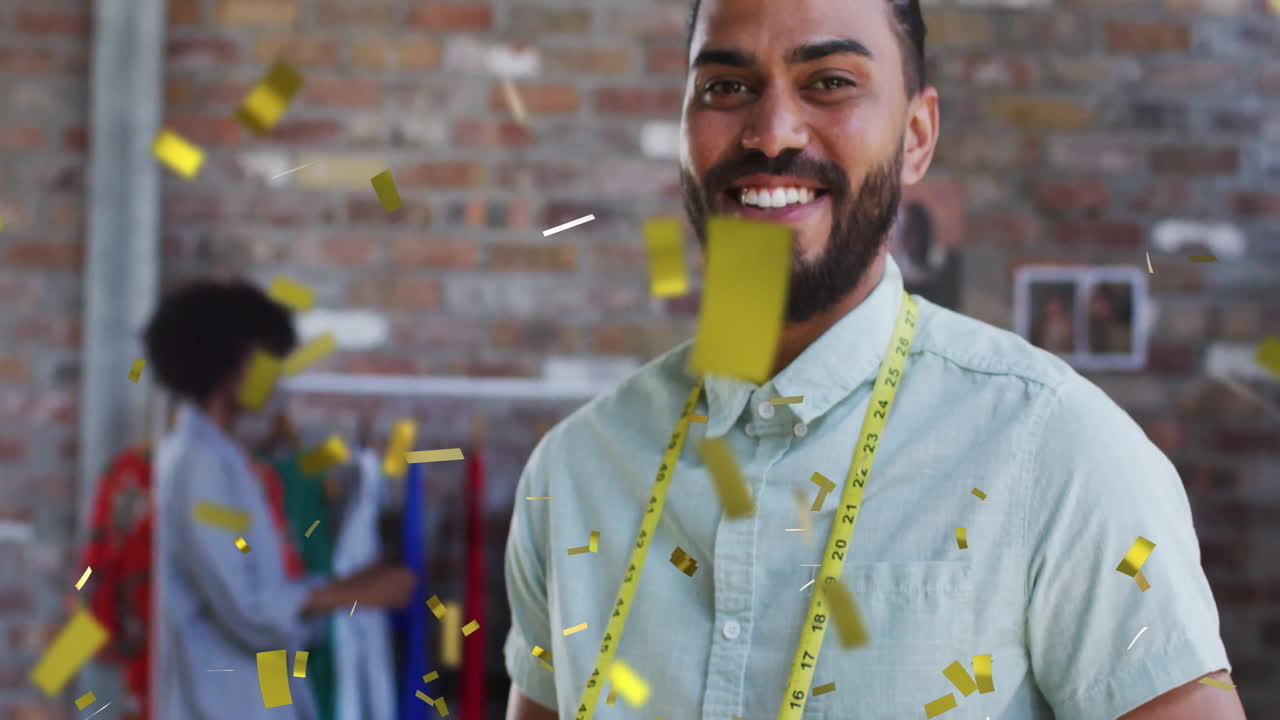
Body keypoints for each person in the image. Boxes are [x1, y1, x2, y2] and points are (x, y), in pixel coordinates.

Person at [502, 1, 1244, 719]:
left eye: (829, 82)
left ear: (916, 136)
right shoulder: (573, 474)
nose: (769, 133)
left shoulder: (1060, 452)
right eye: (726, 87)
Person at [145, 279, 417, 720]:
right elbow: (247, 609)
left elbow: (259, 597)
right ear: (227, 364)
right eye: (263, 360)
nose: (273, 376)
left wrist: (343, 588)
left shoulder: (225, 459)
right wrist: (351, 595)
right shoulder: (201, 467)